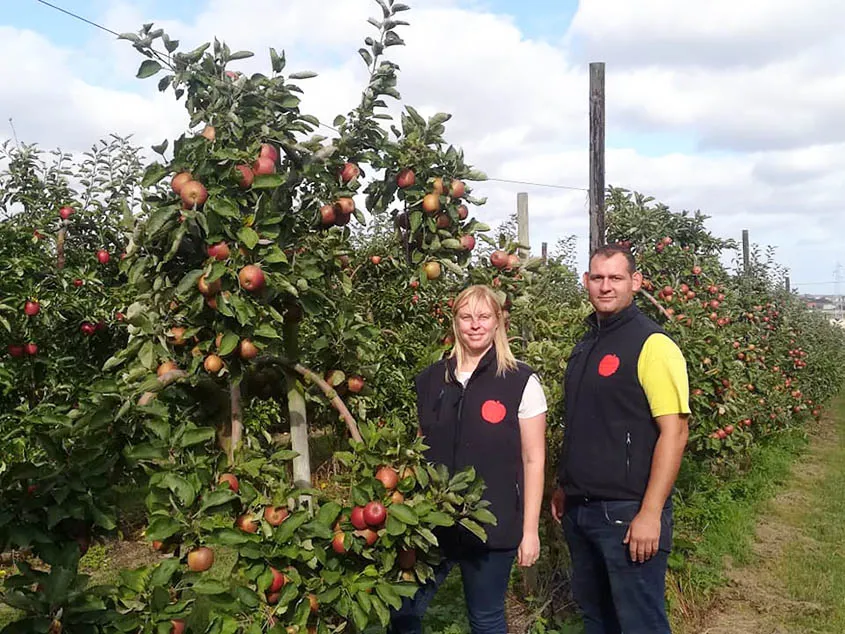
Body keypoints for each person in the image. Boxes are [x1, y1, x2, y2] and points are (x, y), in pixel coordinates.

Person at [389, 284, 548, 634]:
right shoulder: (431, 380)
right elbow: (421, 447)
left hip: (492, 523)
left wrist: (530, 531)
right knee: (403, 610)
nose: (475, 325)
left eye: (483, 316)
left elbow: (533, 459)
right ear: (455, 322)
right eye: (466, 317)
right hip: (432, 520)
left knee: (486, 618)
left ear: (497, 322)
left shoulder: (520, 381)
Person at [550, 244, 690, 634]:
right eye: (597, 278)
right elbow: (585, 423)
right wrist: (565, 484)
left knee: (640, 623)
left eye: (616, 277)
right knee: (597, 620)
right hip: (581, 511)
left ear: (635, 282)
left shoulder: (652, 344)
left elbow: (675, 432)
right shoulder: (585, 346)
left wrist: (650, 513)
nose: (605, 286)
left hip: (627, 514)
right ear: (586, 282)